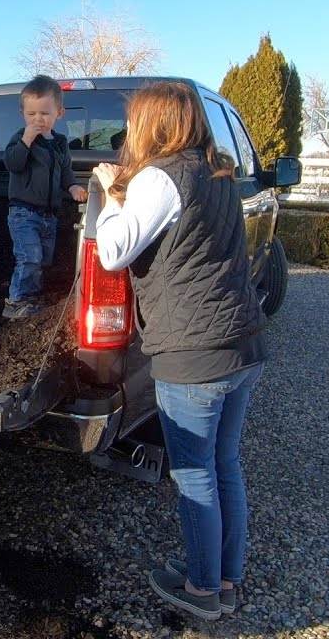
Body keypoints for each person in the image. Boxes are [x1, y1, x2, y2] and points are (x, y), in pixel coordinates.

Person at [91, 82, 267, 621]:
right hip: (243, 344)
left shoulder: (159, 177)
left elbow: (116, 251)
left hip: (195, 354)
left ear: (155, 124)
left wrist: (107, 196)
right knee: (224, 464)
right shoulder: (218, 175)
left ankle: (201, 592)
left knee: (194, 474)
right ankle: (227, 582)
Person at [1, 75, 87, 319]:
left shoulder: (60, 143)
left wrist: (72, 188)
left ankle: (31, 296)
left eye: (45, 113)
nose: (38, 119)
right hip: (23, 212)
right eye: (32, 114)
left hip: (48, 214)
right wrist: (27, 140)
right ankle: (15, 301)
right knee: (30, 256)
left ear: (59, 113)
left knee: (42, 259)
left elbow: (66, 172)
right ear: (22, 113)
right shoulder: (20, 138)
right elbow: (13, 164)